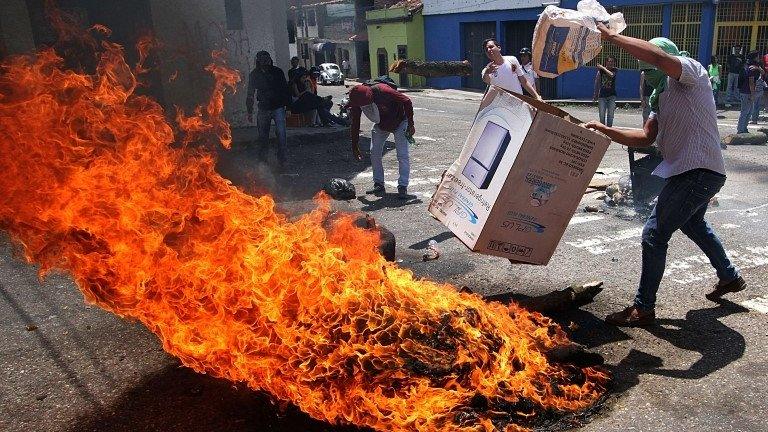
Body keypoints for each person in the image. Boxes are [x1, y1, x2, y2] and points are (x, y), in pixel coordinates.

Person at [584, 29, 746, 327]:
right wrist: (603, 129)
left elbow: (657, 57)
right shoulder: (661, 98)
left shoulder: (692, 74)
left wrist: (612, 38)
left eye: (652, 68)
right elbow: (645, 137)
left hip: (697, 171)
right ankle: (729, 276)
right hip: (694, 172)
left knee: (654, 234)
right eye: (645, 72)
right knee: (694, 224)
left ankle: (643, 308)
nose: (649, 74)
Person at [348, 82, 415, 200]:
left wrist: (411, 124)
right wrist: (354, 145)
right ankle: (379, 184)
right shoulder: (357, 101)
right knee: (374, 153)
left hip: (400, 122)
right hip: (381, 125)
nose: (366, 107)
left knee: (402, 155)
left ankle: (403, 186)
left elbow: (407, 101)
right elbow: (355, 122)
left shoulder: (384, 90)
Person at [246, 51, 291, 165]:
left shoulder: (277, 72)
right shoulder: (254, 74)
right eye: (263, 59)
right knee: (263, 136)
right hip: (263, 108)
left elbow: (285, 89)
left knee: (281, 135)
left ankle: (282, 159)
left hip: (278, 107)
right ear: (258, 61)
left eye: (267, 59)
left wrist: (289, 107)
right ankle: (263, 160)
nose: (265, 62)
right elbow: (250, 94)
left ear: (270, 60)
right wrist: (249, 111)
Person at [737, 51, 761, 133]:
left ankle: (744, 128)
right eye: (757, 56)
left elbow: (763, 73)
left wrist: (758, 68)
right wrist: (753, 94)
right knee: (745, 111)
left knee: (749, 112)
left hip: (747, 92)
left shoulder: (754, 67)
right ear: (754, 57)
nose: (759, 58)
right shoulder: (751, 68)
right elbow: (751, 82)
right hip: (747, 92)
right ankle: (740, 130)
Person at [593, 56, 618, 127]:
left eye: (612, 61)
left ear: (614, 63)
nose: (610, 63)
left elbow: (611, 75)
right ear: (606, 62)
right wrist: (595, 94)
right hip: (602, 96)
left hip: (612, 96)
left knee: (610, 115)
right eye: (609, 61)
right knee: (602, 115)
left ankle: (609, 130)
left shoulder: (615, 70)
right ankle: (602, 131)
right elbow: (597, 82)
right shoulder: (600, 71)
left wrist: (602, 67)